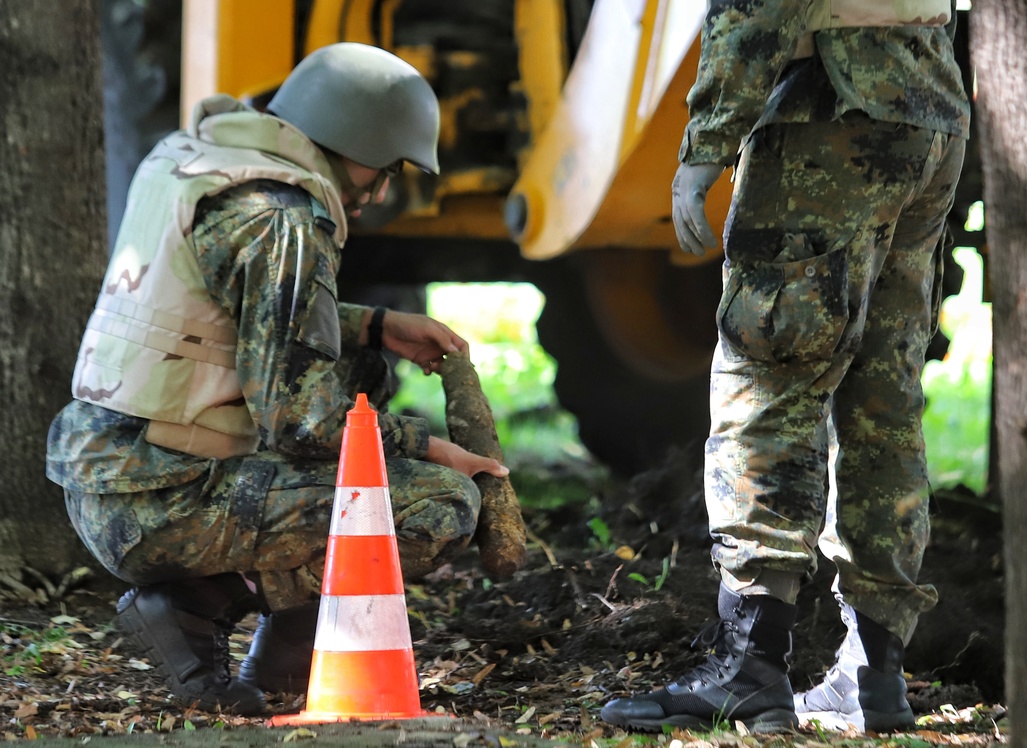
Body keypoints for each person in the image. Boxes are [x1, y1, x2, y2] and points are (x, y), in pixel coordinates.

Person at [46, 42, 509, 715]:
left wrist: (376, 325)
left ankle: (289, 653)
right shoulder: (282, 221)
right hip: (156, 502)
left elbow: (221, 317)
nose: (380, 190)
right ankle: (188, 608)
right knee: (437, 506)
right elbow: (304, 423)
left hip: (114, 471)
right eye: (383, 169)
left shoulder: (199, 160)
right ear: (350, 142)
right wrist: (435, 448)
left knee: (362, 371)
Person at [601, 0, 969, 735]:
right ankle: (874, 677)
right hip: (928, 109)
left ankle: (749, 670)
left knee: (766, 384)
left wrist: (707, 141)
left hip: (828, 113)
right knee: (882, 401)